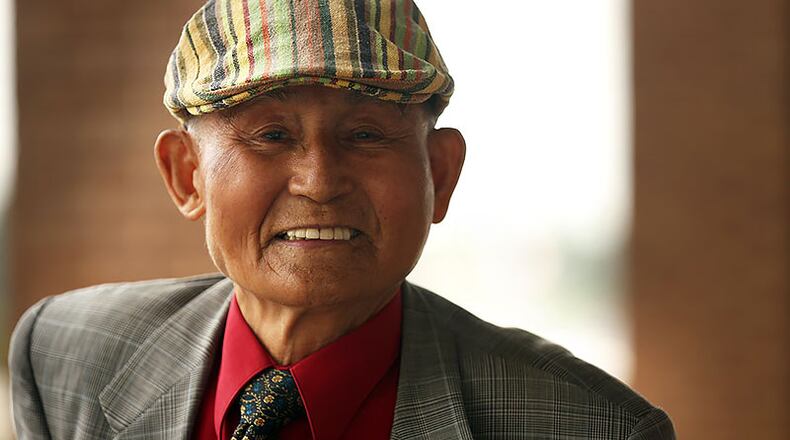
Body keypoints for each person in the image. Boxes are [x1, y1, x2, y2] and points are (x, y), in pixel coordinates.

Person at [9, 0, 676, 439]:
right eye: (271, 135)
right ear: (188, 176)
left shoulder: (590, 427)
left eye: (365, 135)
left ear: (440, 174)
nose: (320, 181)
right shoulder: (64, 354)